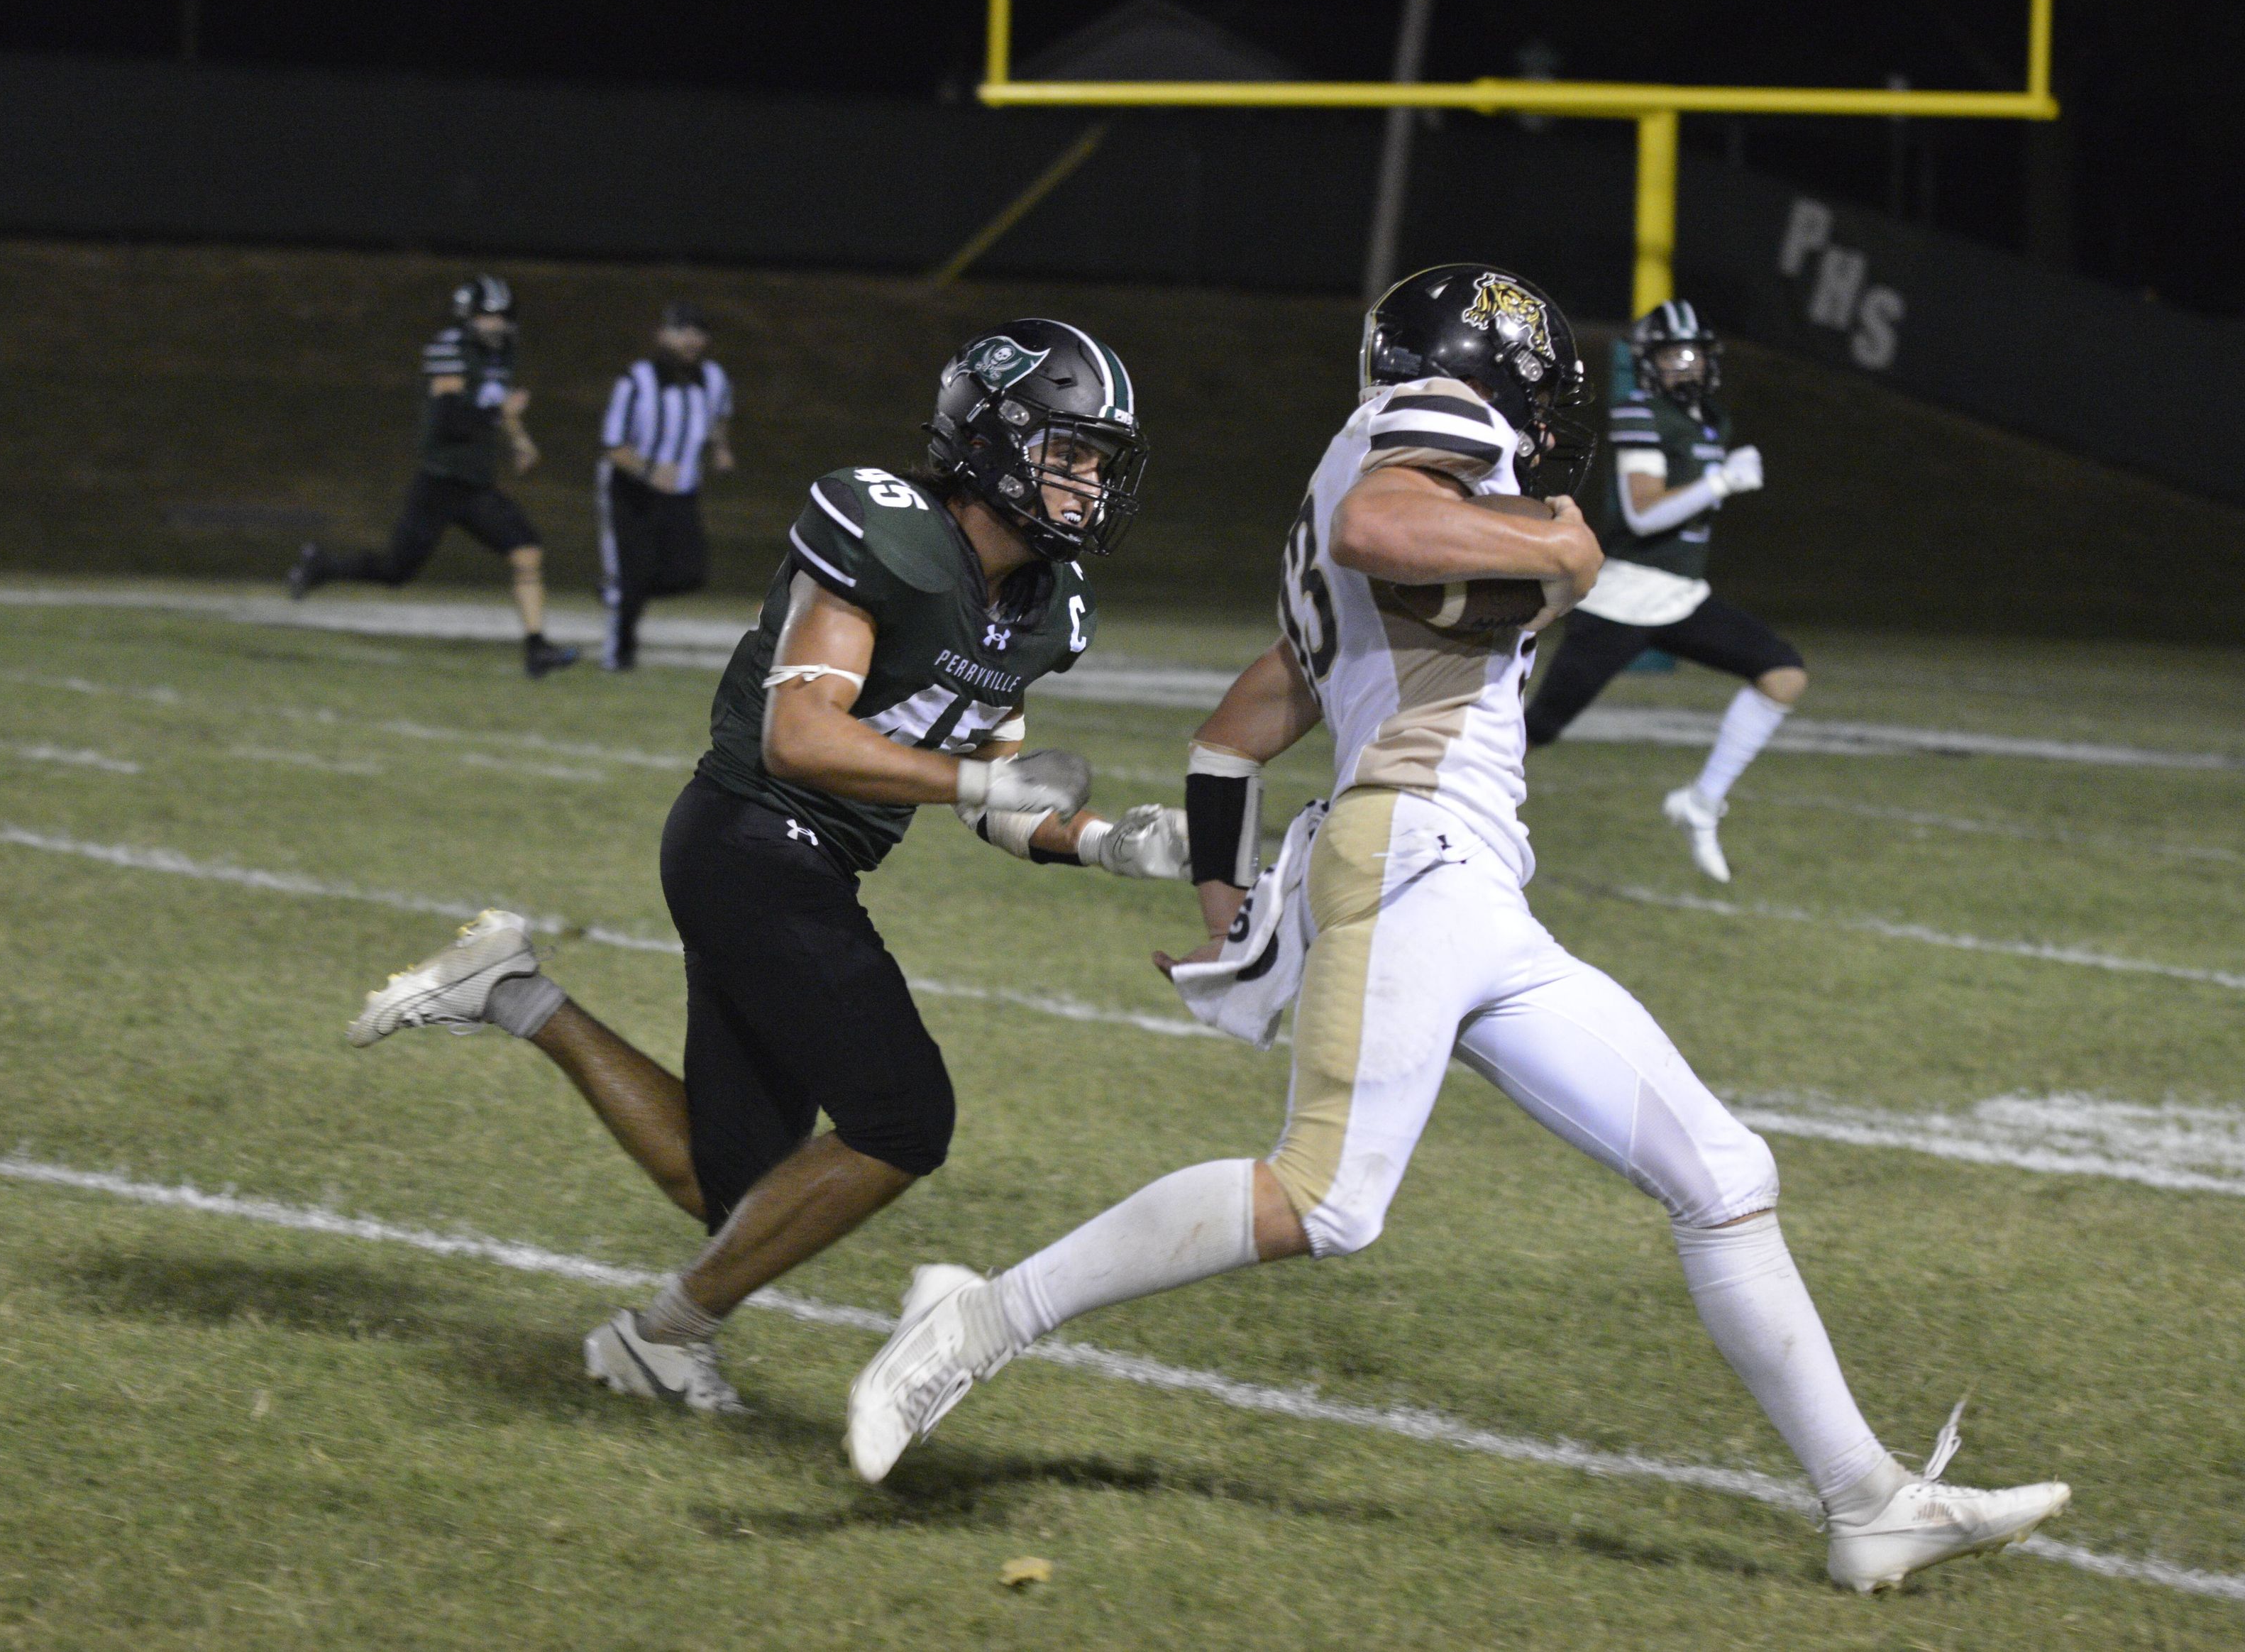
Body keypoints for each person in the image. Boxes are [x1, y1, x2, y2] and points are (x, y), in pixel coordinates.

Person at [845, 265, 2068, 1597]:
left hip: (1471, 886)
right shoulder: (1429, 427)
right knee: (1325, 1195)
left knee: (1724, 1174)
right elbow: (1381, 525)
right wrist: (1564, 551)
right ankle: (976, 1317)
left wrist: (1227, 895)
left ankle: (1868, 1500)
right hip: (1417, 855)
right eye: (1537, 380)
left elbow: (1233, 732)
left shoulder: (1363, 467)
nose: (1546, 413)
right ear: (1489, 370)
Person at [342, 321, 1190, 1412]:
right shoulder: (887, 530)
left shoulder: (1046, 607)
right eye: (1067, 452)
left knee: (734, 1182)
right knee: (902, 1118)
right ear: (989, 438)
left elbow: (1005, 797)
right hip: (749, 833)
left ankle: (514, 990)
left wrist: (1112, 842)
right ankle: (662, 1335)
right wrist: (985, 788)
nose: (1087, 483)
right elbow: (803, 738)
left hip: (804, 864)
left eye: (1099, 462)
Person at [1521, 299, 1804, 881]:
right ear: (1649, 364)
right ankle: (1433, 793)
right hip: (1625, 598)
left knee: (1783, 673)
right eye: (1672, 355)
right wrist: (1722, 480)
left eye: (1693, 354)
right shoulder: (1639, 412)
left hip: (1681, 596)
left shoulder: (1710, 422)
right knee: (1540, 727)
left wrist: (1716, 479)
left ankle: (1700, 804)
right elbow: (1645, 514)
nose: (1686, 366)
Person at [287, 272, 580, 678]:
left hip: (477, 485)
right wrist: (504, 417)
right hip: (440, 481)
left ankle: (537, 649)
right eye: (487, 316)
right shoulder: (450, 349)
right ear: (468, 317)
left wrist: (518, 440)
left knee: (527, 549)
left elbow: (495, 408)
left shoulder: (502, 353)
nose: (497, 325)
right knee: (396, 572)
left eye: (502, 316)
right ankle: (322, 565)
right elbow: (450, 419)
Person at [597, 302, 737, 671]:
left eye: (698, 331)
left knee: (689, 573)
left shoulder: (714, 378)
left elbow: (721, 415)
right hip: (633, 490)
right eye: (682, 330)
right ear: (662, 335)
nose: (691, 339)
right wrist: (648, 472)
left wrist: (721, 448)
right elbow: (612, 445)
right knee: (633, 571)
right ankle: (618, 655)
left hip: (683, 491)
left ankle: (622, 591)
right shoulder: (636, 380)